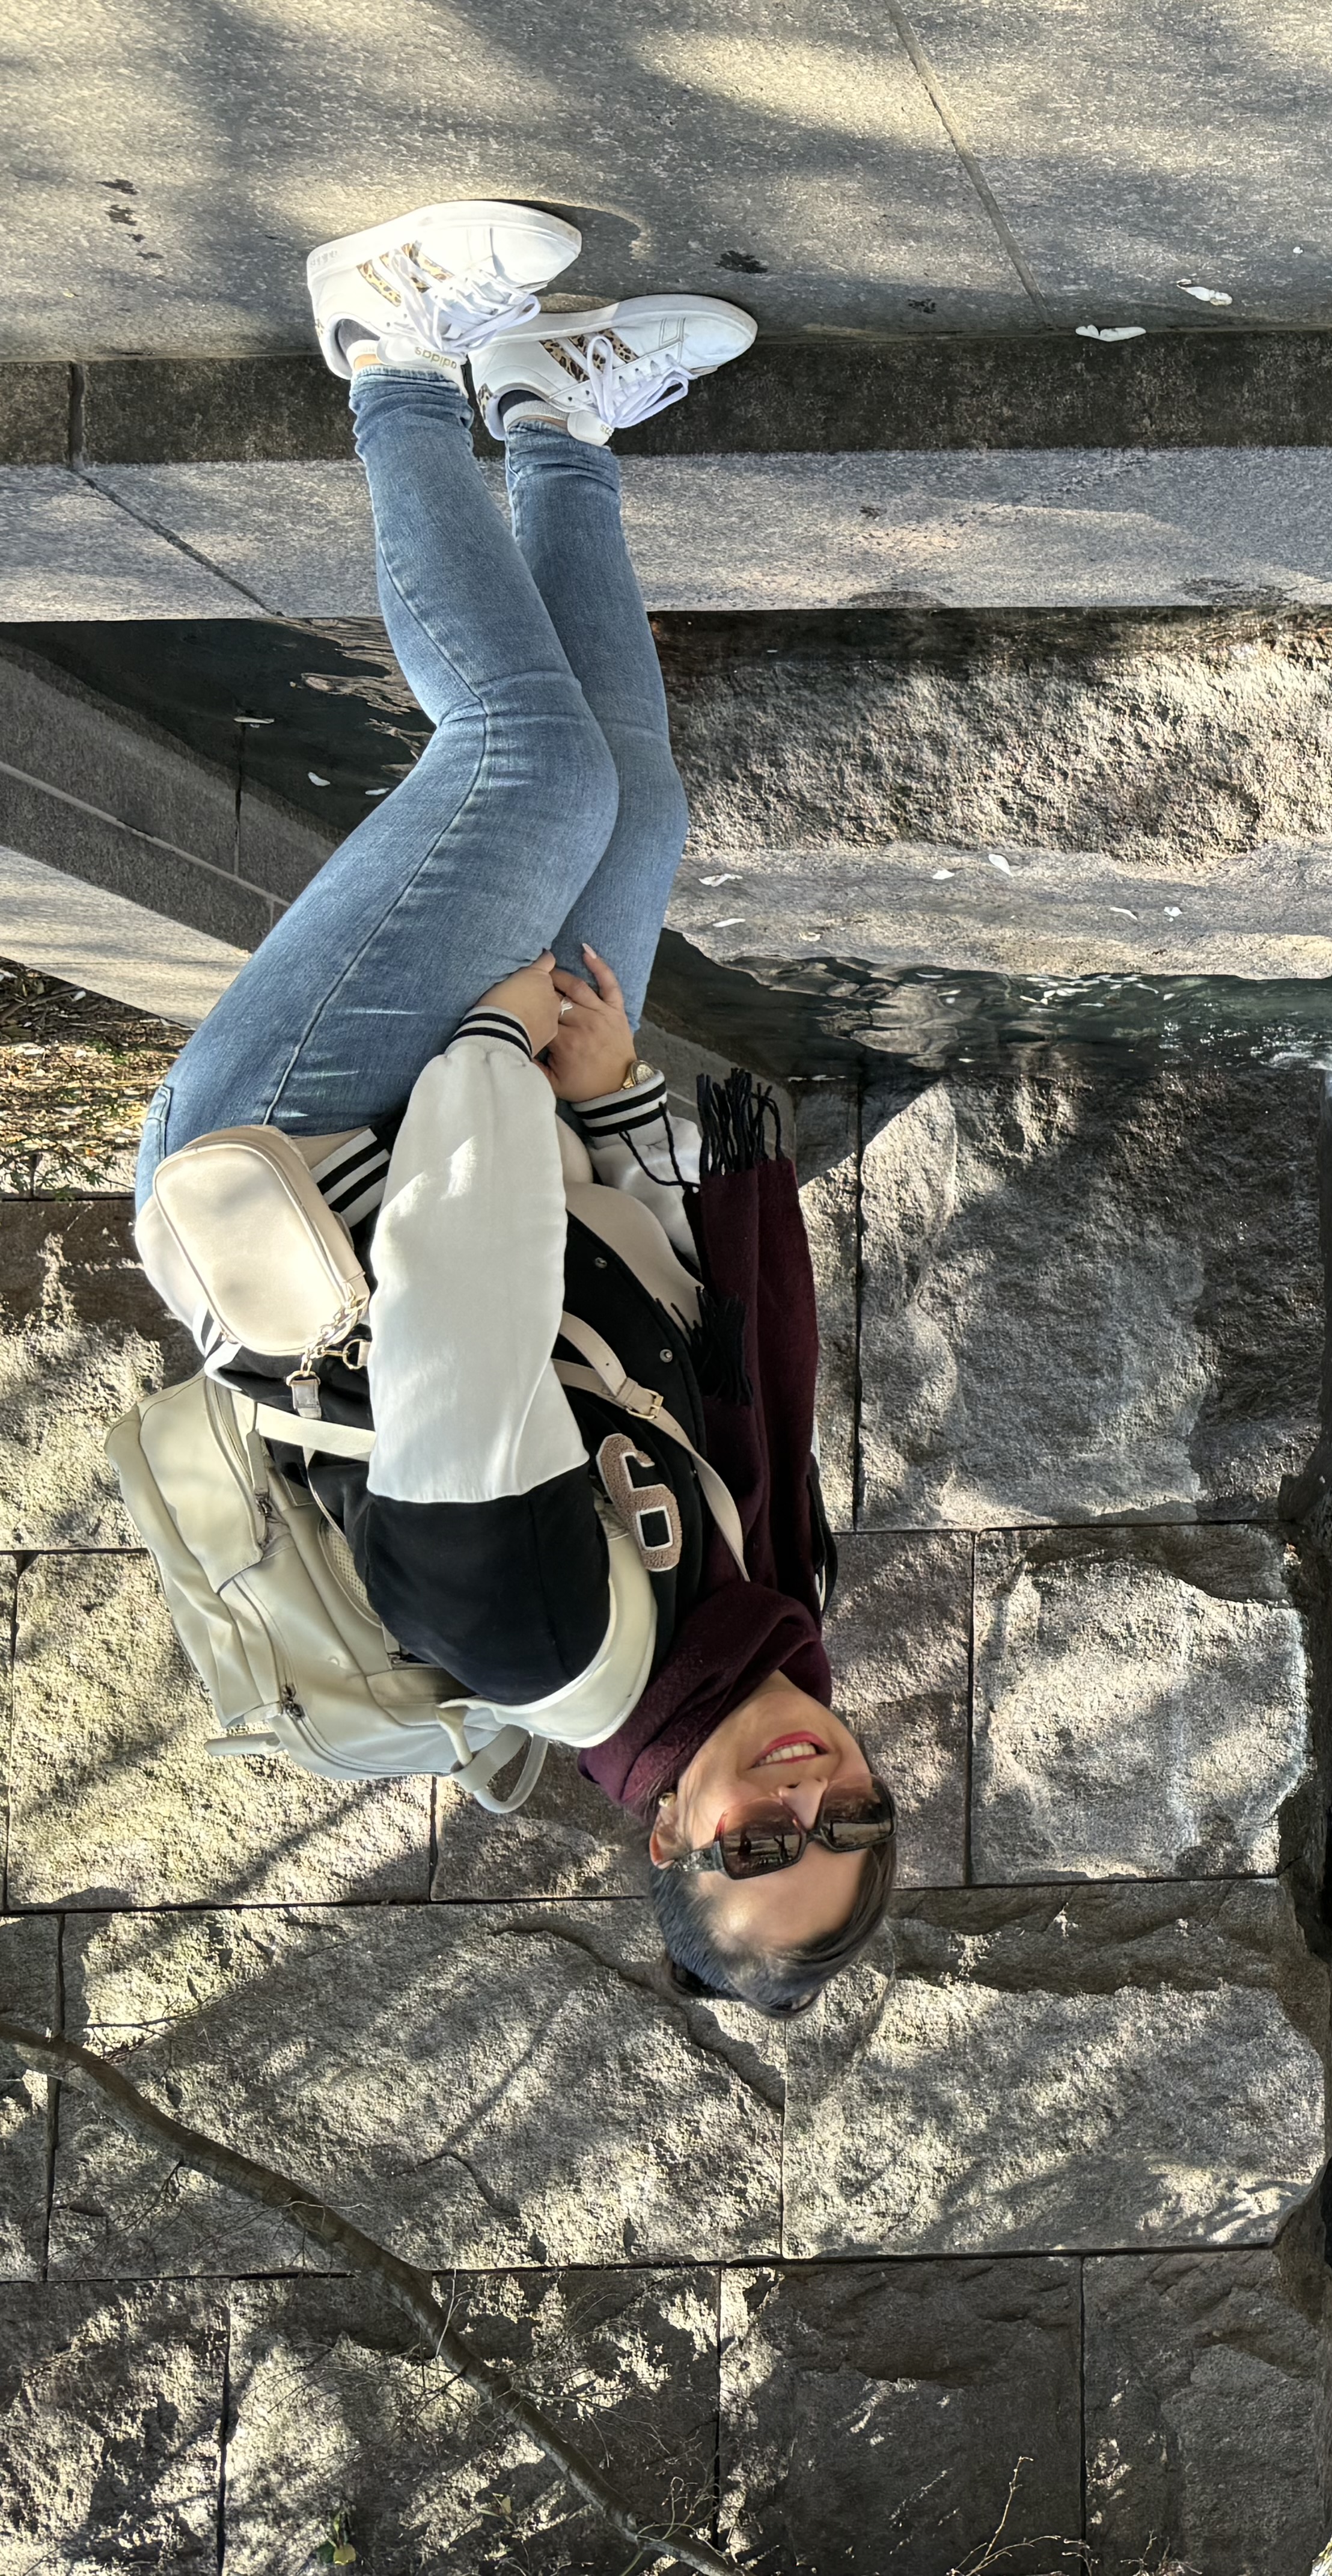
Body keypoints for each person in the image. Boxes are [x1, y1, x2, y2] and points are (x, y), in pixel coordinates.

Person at [130, 200, 890, 2013]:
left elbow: (467, 1329)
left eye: (757, 1850)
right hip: (498, 1140)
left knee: (527, 772)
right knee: (635, 816)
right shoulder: (751, 1609)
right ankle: (553, 417)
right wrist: (617, 1090)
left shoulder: (546, 1637)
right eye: (854, 1823)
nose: (808, 1798)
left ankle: (387, 350)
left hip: (312, 1158)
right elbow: (669, 1334)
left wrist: (485, 1035)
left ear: (666, 1837)